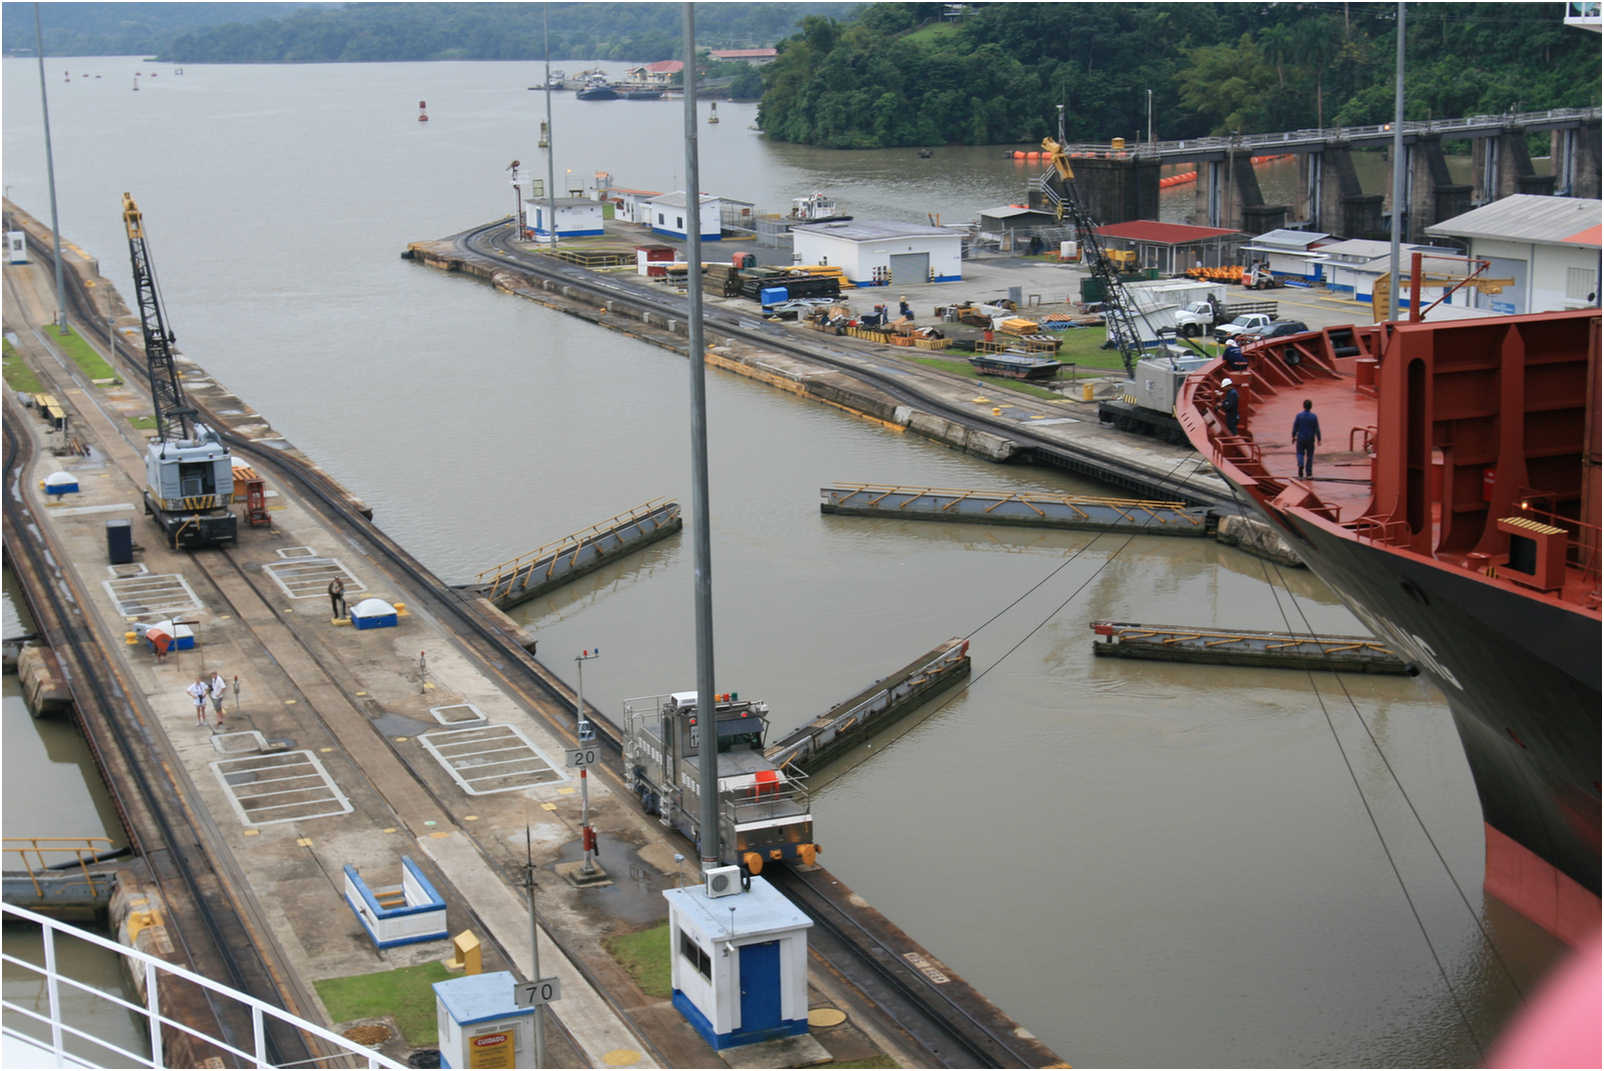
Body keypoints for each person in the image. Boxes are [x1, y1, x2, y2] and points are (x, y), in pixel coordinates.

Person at [1292, 398, 1322, 478]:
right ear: (1311, 407)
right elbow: (1317, 429)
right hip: (1310, 439)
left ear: (1303, 406)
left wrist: (1293, 436)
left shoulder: (1299, 416)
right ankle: (1309, 473)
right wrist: (1319, 439)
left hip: (1300, 438)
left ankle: (1300, 465)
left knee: (1300, 453)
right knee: (1310, 456)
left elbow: (1295, 427)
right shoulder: (1314, 417)